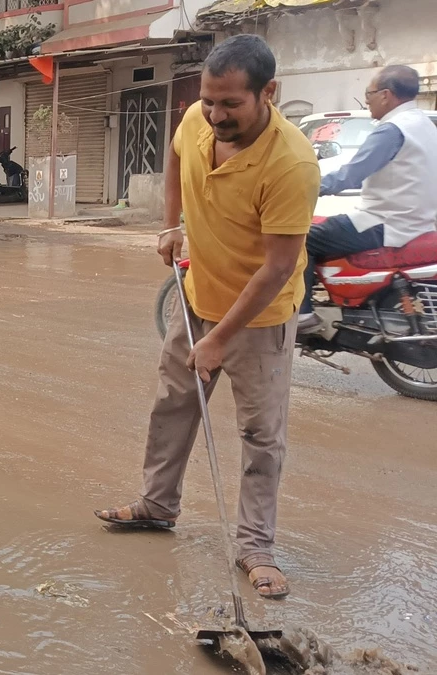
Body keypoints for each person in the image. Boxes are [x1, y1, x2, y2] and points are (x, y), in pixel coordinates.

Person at [94, 35, 320, 600]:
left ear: (268, 93)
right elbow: (175, 155)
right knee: (172, 405)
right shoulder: (198, 119)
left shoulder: (291, 164)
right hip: (195, 296)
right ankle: (157, 504)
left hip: (260, 318)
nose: (216, 116)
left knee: (260, 434)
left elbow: (278, 267)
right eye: (209, 101)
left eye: (231, 105)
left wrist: (219, 338)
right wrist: (171, 224)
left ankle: (255, 547)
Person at [297, 65, 437, 333]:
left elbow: (351, 174)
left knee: (300, 238)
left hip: (384, 221)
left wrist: (304, 188)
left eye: (368, 94)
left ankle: (302, 314)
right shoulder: (423, 125)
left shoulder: (392, 129)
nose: (367, 100)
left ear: (386, 95)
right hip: (414, 219)